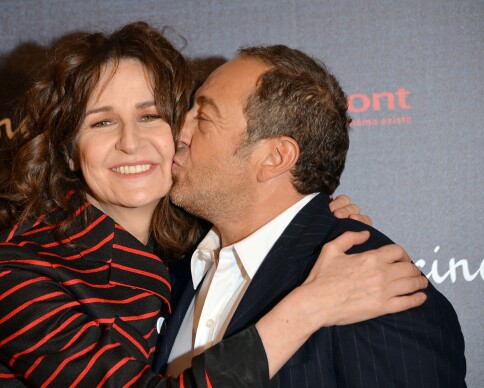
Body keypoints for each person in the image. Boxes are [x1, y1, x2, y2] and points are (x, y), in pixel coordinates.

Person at [0, 23, 427, 387]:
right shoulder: (16, 271)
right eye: (102, 123)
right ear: (66, 149)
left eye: (150, 116)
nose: (131, 143)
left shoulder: (187, 260)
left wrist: (316, 222)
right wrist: (311, 307)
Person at [159, 44, 466, 386]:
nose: (176, 133)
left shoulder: (381, 294)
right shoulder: (173, 270)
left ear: (275, 157)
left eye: (203, 118)